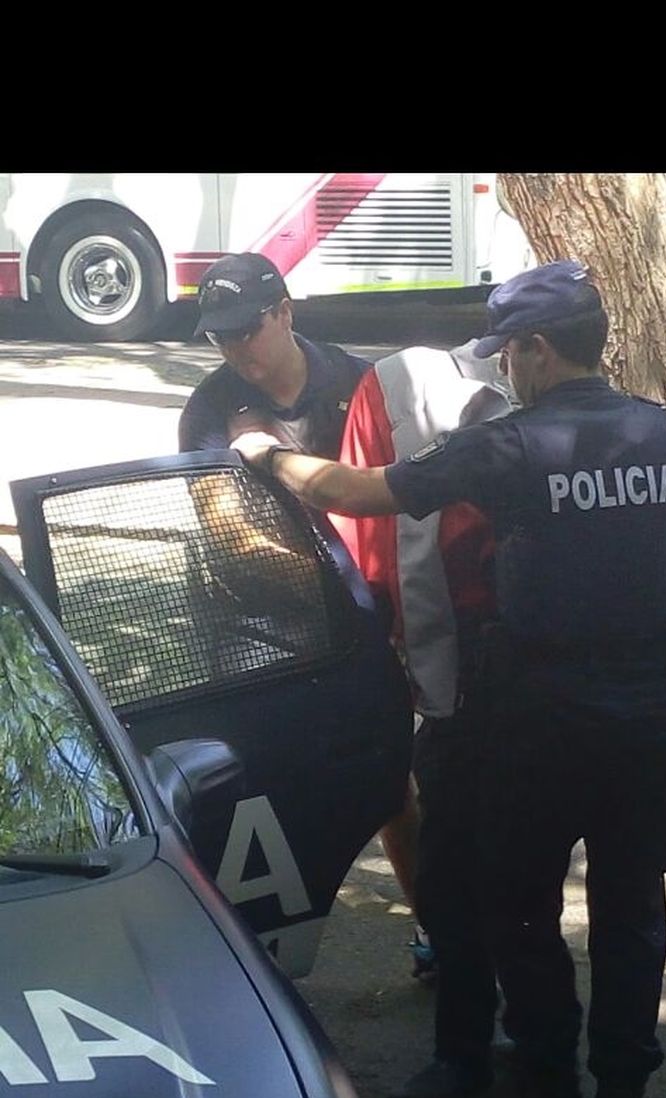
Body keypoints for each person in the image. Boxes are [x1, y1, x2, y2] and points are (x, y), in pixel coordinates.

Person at [232, 260, 666, 1098]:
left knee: (522, 914)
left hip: (538, 728)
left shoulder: (511, 445)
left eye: (508, 354)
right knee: (631, 915)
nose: (504, 372)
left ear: (536, 349)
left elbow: (359, 491)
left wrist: (267, 456)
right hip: (652, 724)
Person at [178, 252, 422, 961]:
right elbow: (230, 531)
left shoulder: (359, 382)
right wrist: (349, 598)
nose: (235, 349)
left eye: (247, 329)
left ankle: (436, 924)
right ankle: (250, 948)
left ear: (285, 312)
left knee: (391, 783)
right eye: (220, 335)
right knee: (251, 783)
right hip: (256, 617)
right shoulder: (210, 409)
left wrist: (389, 610)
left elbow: (401, 502)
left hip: (369, 615)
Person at [333, 342, 514, 1098]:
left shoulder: (403, 387)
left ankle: (482, 1055)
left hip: (477, 664)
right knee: (509, 870)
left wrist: (270, 460)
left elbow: (363, 501)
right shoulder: (635, 431)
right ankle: (547, 1067)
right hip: (536, 670)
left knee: (467, 865)